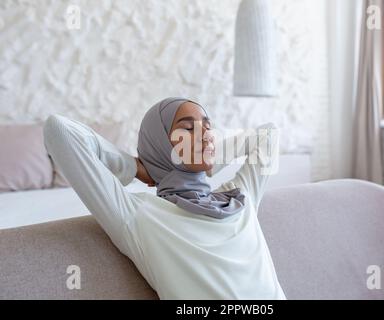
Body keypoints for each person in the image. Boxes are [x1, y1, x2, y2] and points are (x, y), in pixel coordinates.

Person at [43, 97, 286, 299]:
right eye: (188, 128)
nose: (206, 134)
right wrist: (137, 167)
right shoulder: (137, 215)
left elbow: (268, 134)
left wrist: (207, 161)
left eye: (208, 126)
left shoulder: (241, 196)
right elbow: (59, 130)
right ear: (159, 145)